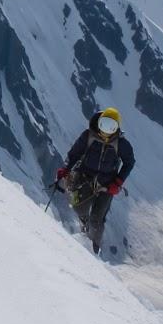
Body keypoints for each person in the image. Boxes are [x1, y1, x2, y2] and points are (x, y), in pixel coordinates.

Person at [54, 107, 135, 254]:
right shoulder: (88, 136)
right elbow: (75, 153)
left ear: (117, 128)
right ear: (99, 122)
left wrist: (117, 183)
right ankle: (85, 224)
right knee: (79, 207)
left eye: (111, 127)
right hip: (85, 177)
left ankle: (93, 250)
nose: (106, 130)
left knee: (97, 220)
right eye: (104, 124)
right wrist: (66, 169)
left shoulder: (121, 144)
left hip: (107, 184)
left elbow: (129, 162)